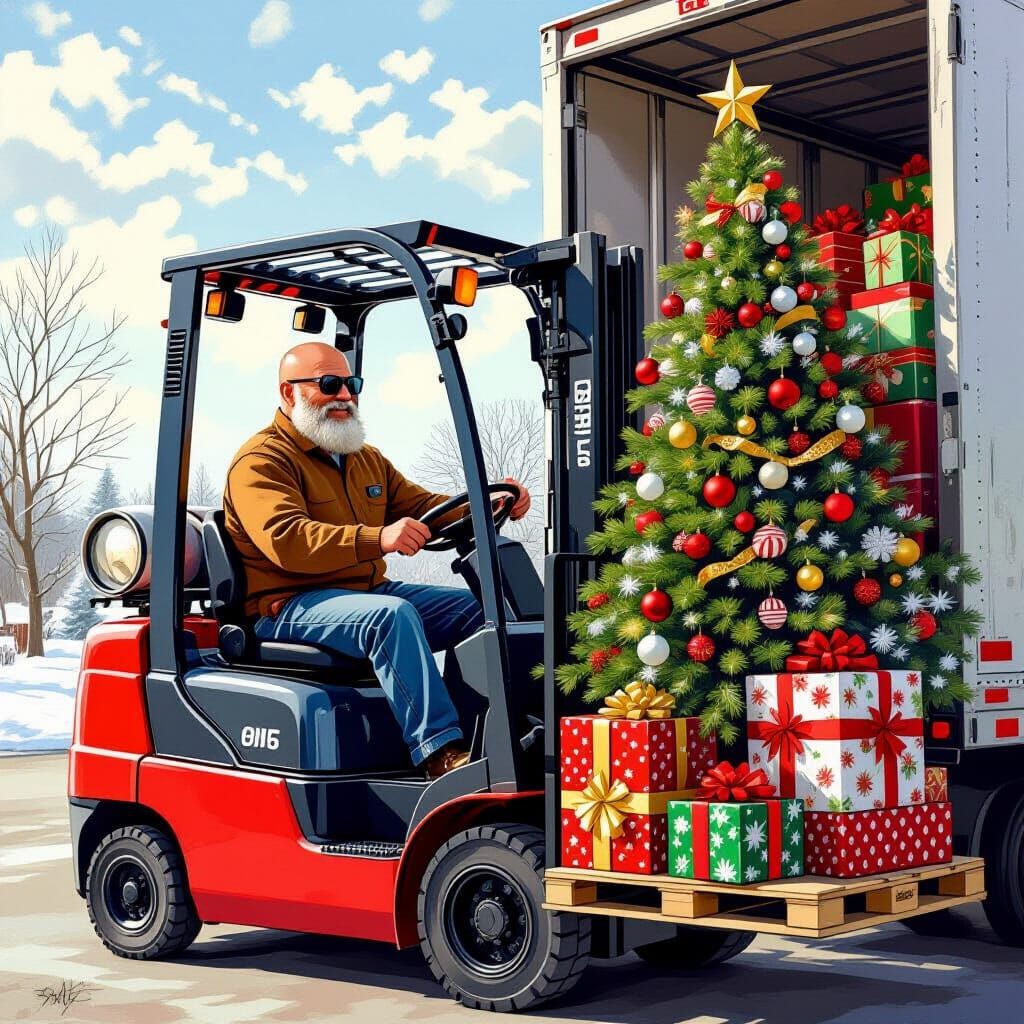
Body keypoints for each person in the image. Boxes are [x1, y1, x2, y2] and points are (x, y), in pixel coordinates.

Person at [222, 342, 530, 778]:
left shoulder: (363, 459)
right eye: (329, 384)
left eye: (351, 384)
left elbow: (423, 505)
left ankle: (490, 733)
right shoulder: (261, 462)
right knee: (389, 618)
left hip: (362, 593)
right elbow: (286, 540)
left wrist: (488, 502)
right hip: (289, 604)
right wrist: (378, 538)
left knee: (483, 607)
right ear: (289, 394)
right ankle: (440, 752)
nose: (345, 395)